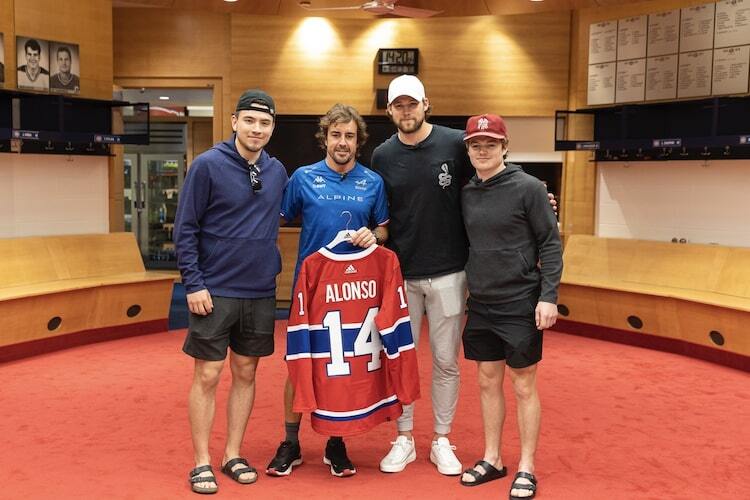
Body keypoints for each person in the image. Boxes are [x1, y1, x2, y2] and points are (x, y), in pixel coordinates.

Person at [370, 75, 557, 477]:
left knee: (445, 361)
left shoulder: (456, 142)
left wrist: (534, 188)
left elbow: (493, 163)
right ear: (389, 111)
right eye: (398, 106)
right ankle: (403, 436)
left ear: (426, 105)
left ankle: (441, 438)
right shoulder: (382, 156)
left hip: (452, 273)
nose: (406, 111)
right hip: (401, 275)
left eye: (412, 104)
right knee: (400, 359)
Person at [174, 89, 288, 494]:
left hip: (259, 291)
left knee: (246, 371)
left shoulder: (277, 172)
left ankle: (233, 453)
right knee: (207, 374)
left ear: (272, 128)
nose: (257, 129)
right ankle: (202, 460)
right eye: (251, 121)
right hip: (214, 291)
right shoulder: (207, 166)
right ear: (235, 121)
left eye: (265, 123)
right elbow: (185, 228)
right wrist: (194, 283)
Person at [266, 103, 389, 478]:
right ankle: (291, 442)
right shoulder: (303, 177)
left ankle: (336, 442)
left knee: (342, 367)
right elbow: (272, 216)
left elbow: (383, 230)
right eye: (336, 135)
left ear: (358, 141)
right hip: (311, 289)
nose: (343, 142)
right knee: (298, 366)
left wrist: (375, 234)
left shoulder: (373, 182)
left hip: (355, 291)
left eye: (350, 136)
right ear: (325, 138)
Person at [458, 114, 562, 500]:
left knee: (522, 385)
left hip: (520, 301)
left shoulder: (530, 188)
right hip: (481, 301)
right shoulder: (467, 192)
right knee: (486, 380)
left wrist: (548, 296)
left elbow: (550, 243)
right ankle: (492, 459)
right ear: (468, 150)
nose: (483, 150)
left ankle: (526, 466)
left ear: (504, 146)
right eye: (475, 144)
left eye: (490, 143)